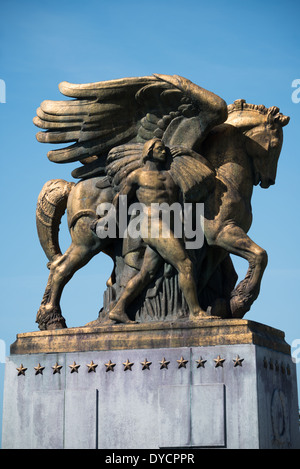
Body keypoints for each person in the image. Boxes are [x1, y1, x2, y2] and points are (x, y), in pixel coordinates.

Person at [108, 138, 211, 323]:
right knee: (185, 265)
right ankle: (196, 312)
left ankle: (118, 308)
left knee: (146, 274)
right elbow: (120, 200)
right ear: (149, 152)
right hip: (151, 225)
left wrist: (191, 154)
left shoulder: (171, 176)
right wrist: (108, 220)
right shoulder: (137, 176)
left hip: (170, 226)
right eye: (160, 149)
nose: (164, 152)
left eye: (164, 149)